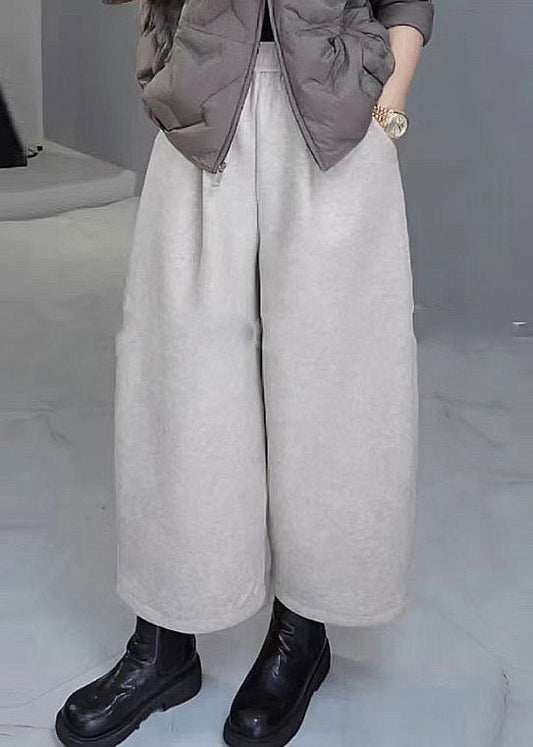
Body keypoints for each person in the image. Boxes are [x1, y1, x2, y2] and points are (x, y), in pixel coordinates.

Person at [55, 1, 435, 746]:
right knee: (180, 383)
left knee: (335, 384)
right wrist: (168, 61)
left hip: (337, 110)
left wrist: (386, 105)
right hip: (201, 106)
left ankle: (301, 632)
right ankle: (163, 640)